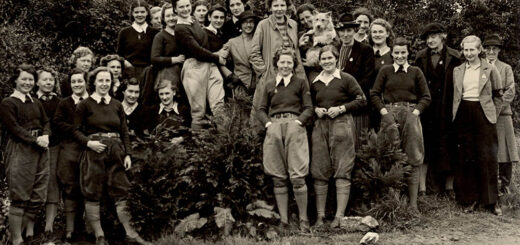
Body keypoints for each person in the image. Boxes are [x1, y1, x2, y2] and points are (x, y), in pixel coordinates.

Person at [73, 67, 150, 245]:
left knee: (121, 190)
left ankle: (130, 234)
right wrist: (89, 143)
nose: (104, 84)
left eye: (107, 80)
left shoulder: (117, 105)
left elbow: (124, 132)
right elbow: (75, 131)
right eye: (100, 80)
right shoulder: (84, 105)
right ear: (93, 82)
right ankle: (99, 235)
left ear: (112, 83)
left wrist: (128, 154)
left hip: (116, 151)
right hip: (94, 151)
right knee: (92, 191)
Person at [370, 37, 431, 210]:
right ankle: (391, 202)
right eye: (396, 52)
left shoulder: (416, 71)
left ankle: (412, 204)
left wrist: (415, 113)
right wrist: (385, 113)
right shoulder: (385, 70)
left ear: (408, 53)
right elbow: (374, 94)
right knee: (389, 154)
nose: (399, 56)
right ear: (392, 53)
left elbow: (426, 97)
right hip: (390, 113)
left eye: (403, 52)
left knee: (413, 156)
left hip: (410, 114)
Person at [257, 48, 313, 232]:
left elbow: (308, 108)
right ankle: (284, 220)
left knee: (297, 176)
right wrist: (268, 126)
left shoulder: (300, 83)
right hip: (274, 128)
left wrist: (298, 122)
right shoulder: (269, 84)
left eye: (289, 62)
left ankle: (304, 220)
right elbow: (261, 109)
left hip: (294, 128)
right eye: (282, 62)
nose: (286, 65)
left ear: (294, 65)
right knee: (278, 177)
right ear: (276, 64)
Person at [310, 45, 366, 228]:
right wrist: (316, 110)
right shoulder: (315, 82)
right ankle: (320, 217)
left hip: (342, 126)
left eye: (330, 58)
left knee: (342, 169)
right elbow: (307, 104)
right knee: (319, 170)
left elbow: (361, 100)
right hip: (320, 128)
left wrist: (341, 108)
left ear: (337, 60)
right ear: (319, 62)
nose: (327, 61)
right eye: (323, 59)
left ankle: (339, 217)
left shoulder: (346, 79)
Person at [452, 35, 502, 215]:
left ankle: (491, 201)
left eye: (472, 49)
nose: (469, 53)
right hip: (464, 112)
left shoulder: (490, 69)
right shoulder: (457, 70)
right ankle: (470, 199)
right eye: (466, 50)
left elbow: (498, 96)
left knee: (488, 157)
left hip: (484, 115)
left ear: (479, 50)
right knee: (468, 156)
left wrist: (491, 116)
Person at [0, 64, 50, 245]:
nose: (28, 82)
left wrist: (45, 135)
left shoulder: (36, 102)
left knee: (38, 195)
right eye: (24, 79)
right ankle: (16, 240)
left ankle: (18, 235)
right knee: (20, 194)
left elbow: (46, 121)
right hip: (20, 149)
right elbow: (14, 128)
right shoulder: (8, 103)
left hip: (41, 149)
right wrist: (36, 140)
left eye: (31, 79)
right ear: (15, 80)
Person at [415, 23, 461, 197]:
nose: (430, 40)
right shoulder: (420, 58)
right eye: (427, 38)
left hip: (448, 108)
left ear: (443, 36)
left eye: (433, 36)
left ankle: (449, 187)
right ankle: (422, 188)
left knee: (449, 145)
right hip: (427, 108)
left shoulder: (455, 57)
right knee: (424, 145)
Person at [250, 0, 308, 127]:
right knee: (266, 110)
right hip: (271, 75)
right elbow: (254, 53)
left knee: (293, 108)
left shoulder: (293, 24)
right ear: (270, 8)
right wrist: (264, 71)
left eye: (282, 5)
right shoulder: (263, 25)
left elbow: (295, 51)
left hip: (292, 74)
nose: (279, 8)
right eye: (275, 5)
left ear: (287, 7)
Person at [173, 0, 227, 129]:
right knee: (198, 112)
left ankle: (225, 143)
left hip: (210, 65)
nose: (185, 9)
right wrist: (217, 58)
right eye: (181, 7)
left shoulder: (193, 21)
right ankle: (198, 146)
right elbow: (196, 50)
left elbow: (205, 44)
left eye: (187, 6)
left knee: (219, 107)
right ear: (175, 9)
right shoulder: (180, 28)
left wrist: (216, 55)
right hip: (194, 67)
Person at [53, 68, 90, 243]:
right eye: (74, 81)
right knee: (70, 187)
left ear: (86, 82)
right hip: (69, 148)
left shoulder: (93, 100)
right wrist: (75, 131)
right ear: (70, 84)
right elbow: (58, 122)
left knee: (88, 186)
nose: (77, 84)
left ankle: (87, 227)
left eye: (80, 81)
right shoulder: (64, 103)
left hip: (89, 147)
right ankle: (70, 229)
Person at [483, 34, 519, 195]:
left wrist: (495, 110)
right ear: (483, 50)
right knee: (488, 151)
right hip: (484, 115)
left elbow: (510, 92)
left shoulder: (505, 68)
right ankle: (488, 187)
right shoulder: (480, 67)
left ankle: (505, 185)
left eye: (494, 49)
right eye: (488, 48)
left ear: (498, 51)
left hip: (502, 114)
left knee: (506, 150)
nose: (491, 51)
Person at [335, 13, 375, 147]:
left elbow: (368, 78)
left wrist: (347, 92)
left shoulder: (365, 50)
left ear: (354, 31)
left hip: (357, 104)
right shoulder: (333, 49)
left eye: (349, 30)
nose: (345, 34)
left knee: (359, 143)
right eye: (342, 31)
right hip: (336, 104)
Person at [34, 68, 61, 243]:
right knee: (33, 183)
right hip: (33, 148)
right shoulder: (30, 100)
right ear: (37, 82)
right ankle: (30, 226)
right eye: (44, 79)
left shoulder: (59, 101)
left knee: (52, 183)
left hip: (55, 147)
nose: (48, 82)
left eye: (51, 79)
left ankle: (48, 227)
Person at [150, 3, 186, 106]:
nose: (171, 18)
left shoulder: (184, 33)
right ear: (163, 18)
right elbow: (154, 58)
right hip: (168, 75)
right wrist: (174, 60)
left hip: (185, 73)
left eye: (173, 15)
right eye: (168, 16)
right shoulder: (160, 36)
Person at [117, 0, 159, 80]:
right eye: (136, 12)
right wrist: (127, 65)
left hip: (150, 72)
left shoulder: (155, 33)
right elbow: (119, 55)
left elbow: (157, 54)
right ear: (132, 13)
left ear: (147, 13)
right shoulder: (124, 32)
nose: (139, 15)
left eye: (142, 12)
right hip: (129, 72)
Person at [223, 10, 260, 94]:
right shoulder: (232, 42)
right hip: (240, 85)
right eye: (245, 22)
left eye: (251, 22)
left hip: (259, 85)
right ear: (240, 25)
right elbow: (219, 58)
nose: (248, 25)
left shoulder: (260, 40)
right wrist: (230, 76)